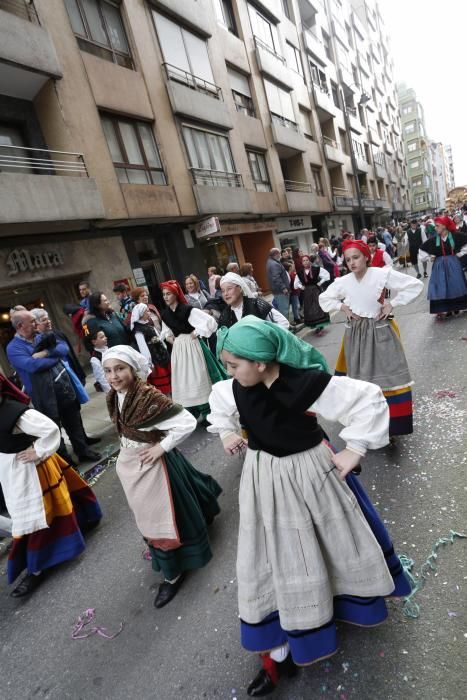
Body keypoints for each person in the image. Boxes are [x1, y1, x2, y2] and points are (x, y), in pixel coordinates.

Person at [207, 317, 411, 697]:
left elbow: (367, 398)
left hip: (309, 469)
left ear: (262, 363)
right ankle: (281, 641)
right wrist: (228, 431)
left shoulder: (307, 384)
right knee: (276, 552)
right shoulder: (234, 387)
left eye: (234, 364)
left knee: (328, 537)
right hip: (264, 474)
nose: (228, 372)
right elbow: (218, 405)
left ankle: (335, 600)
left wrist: (355, 448)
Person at [102, 346, 221, 608]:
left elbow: (187, 422)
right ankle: (204, 511)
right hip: (133, 463)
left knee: (158, 515)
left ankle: (172, 572)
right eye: (108, 370)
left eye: (120, 368)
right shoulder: (114, 396)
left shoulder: (147, 396)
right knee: (181, 496)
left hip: (153, 462)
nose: (113, 375)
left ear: (134, 370)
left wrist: (160, 448)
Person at [0, 373, 102, 597]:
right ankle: (82, 522)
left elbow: (50, 429)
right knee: (51, 509)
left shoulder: (15, 413)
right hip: (10, 474)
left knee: (35, 520)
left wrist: (38, 451)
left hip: (30, 471)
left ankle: (36, 569)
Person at [319, 240, 423, 437]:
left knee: (387, 376)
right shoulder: (344, 281)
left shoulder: (382, 274)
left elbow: (414, 285)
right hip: (356, 335)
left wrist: (392, 303)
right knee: (360, 382)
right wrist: (343, 307)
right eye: (348, 259)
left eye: (356, 257)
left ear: (367, 256)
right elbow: (324, 298)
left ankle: (391, 428)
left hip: (380, 330)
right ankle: (368, 425)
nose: (352, 263)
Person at [7, 311, 101, 464]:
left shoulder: (41, 336)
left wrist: (46, 352)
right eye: (32, 321)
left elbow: (63, 348)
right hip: (43, 396)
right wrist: (55, 358)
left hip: (64, 388)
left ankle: (83, 452)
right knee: (53, 429)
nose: (36, 324)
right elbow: (32, 365)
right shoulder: (13, 348)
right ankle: (67, 463)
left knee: (74, 423)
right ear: (20, 326)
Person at [160, 281, 226, 419]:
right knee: (184, 379)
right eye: (164, 294)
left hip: (193, 346)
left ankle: (209, 410)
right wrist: (170, 338)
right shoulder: (165, 314)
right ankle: (192, 411)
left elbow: (210, 322)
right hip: (179, 349)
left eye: (168, 294)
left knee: (199, 376)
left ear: (176, 294)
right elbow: (166, 331)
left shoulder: (187, 310)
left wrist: (197, 332)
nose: (165, 297)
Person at [419, 216, 467, 318]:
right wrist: (429, 258)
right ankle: (444, 309)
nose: (435, 228)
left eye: (437, 226)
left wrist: (460, 254)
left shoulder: (456, 236)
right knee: (440, 286)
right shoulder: (433, 240)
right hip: (439, 266)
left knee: (456, 284)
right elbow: (422, 251)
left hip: (454, 264)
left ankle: (458, 306)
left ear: (444, 226)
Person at [218, 272, 289, 329]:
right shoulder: (224, 316)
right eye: (223, 291)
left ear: (240, 288)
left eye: (229, 289)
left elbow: (283, 322)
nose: (225, 293)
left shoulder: (257, 305)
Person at [130, 303, 171, 395]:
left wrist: (164, 347)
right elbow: (143, 348)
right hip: (155, 359)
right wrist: (149, 363)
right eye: (147, 311)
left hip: (162, 355)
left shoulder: (148, 324)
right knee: (161, 386)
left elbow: (159, 338)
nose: (149, 313)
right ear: (141, 314)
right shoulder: (138, 330)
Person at [294, 255, 330, 335]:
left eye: (307, 260)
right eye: (304, 261)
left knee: (318, 307)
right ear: (302, 263)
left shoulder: (316, 269)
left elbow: (327, 276)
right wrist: (301, 286)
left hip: (316, 290)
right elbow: (295, 284)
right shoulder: (299, 273)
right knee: (310, 309)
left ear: (309, 261)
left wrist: (320, 282)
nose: (305, 262)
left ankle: (320, 326)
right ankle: (316, 325)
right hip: (307, 292)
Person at [266, 248, 290, 319]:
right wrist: (283, 287)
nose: (280, 255)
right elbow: (276, 277)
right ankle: (286, 327)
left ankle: (286, 325)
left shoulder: (271, 261)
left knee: (282, 308)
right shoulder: (274, 264)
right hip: (280, 290)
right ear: (276, 254)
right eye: (279, 253)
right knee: (284, 309)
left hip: (277, 290)